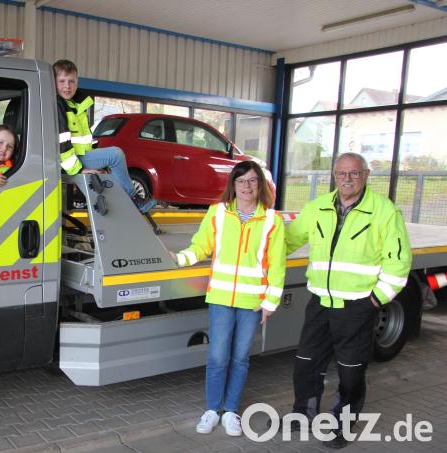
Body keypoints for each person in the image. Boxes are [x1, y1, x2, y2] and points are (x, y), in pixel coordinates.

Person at [285, 152, 411, 449]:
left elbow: (399, 261)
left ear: (366, 175)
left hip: (357, 307)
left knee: (351, 371)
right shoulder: (317, 208)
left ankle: (341, 424)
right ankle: (303, 414)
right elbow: (289, 239)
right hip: (320, 303)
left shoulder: (384, 211)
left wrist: (376, 299)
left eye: (354, 173)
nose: (347, 179)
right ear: (333, 175)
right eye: (342, 173)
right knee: (305, 363)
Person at [175, 160, 286, 437]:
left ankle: (231, 411)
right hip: (222, 298)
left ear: (260, 184)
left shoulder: (272, 220)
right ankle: (213, 410)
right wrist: (182, 258)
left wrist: (270, 302)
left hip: (252, 302)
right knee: (217, 357)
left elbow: (277, 264)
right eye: (241, 181)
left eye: (252, 181)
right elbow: (201, 245)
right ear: (233, 185)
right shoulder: (218, 213)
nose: (246, 186)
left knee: (239, 359)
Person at [53, 59, 156, 214]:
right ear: (53, 82)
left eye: (71, 81)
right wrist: (79, 170)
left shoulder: (75, 106)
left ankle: (121, 202)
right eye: (62, 81)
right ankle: (133, 199)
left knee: (111, 161)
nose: (67, 86)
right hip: (70, 161)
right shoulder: (59, 105)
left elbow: (83, 142)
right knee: (115, 155)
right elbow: (62, 143)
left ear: (77, 82)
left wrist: (97, 164)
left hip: (78, 156)